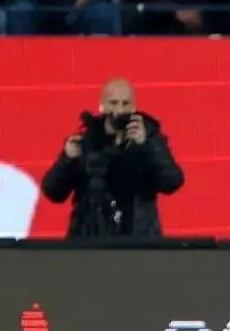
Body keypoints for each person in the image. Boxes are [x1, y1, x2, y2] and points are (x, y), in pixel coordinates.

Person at [40, 79, 184, 238]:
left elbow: (172, 182)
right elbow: (53, 192)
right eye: (113, 103)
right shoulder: (86, 142)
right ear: (102, 106)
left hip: (138, 240)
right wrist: (67, 160)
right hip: (90, 241)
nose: (119, 110)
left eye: (125, 103)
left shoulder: (149, 138)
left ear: (133, 107)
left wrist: (146, 146)